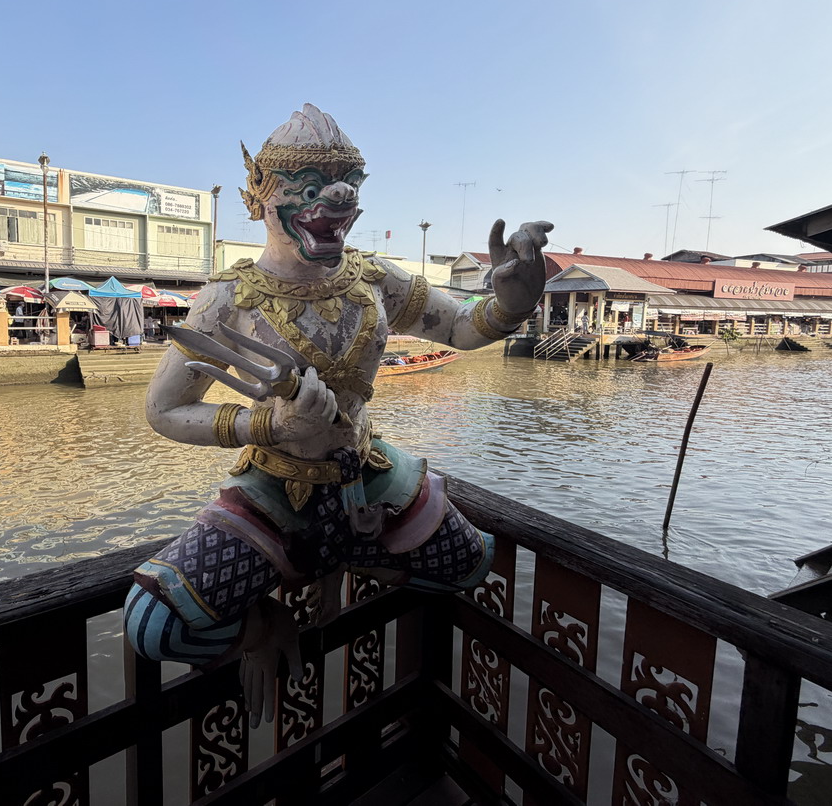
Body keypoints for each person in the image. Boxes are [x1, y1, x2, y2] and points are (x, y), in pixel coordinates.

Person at [123, 105, 552, 726]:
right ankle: (265, 616)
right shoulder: (228, 296)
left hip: (366, 471)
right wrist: (266, 426)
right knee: (153, 625)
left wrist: (513, 300)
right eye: (306, 184)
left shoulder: (374, 279)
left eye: (346, 181)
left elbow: (459, 324)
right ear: (260, 195)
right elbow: (163, 409)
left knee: (472, 561)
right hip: (274, 483)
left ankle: (349, 558)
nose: (336, 197)